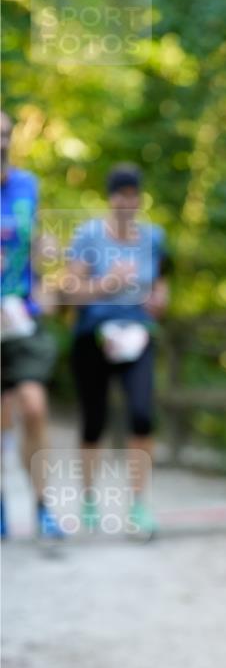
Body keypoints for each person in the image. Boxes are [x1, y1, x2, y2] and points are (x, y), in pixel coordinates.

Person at [63, 163, 169, 536]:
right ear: (110, 198)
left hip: (137, 335)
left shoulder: (154, 237)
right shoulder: (88, 236)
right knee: (95, 420)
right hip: (93, 335)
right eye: (120, 194)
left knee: (142, 415)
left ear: (139, 197)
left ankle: (138, 506)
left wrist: (158, 299)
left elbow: (161, 283)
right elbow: (70, 291)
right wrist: (108, 282)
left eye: (132, 194)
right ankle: (89, 499)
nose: (127, 201)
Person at [0, 109, 62, 541]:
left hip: (21, 315)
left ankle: (42, 506)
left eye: (5, 134)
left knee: (34, 407)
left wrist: (46, 258)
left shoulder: (27, 186)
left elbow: (32, 241)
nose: (1, 141)